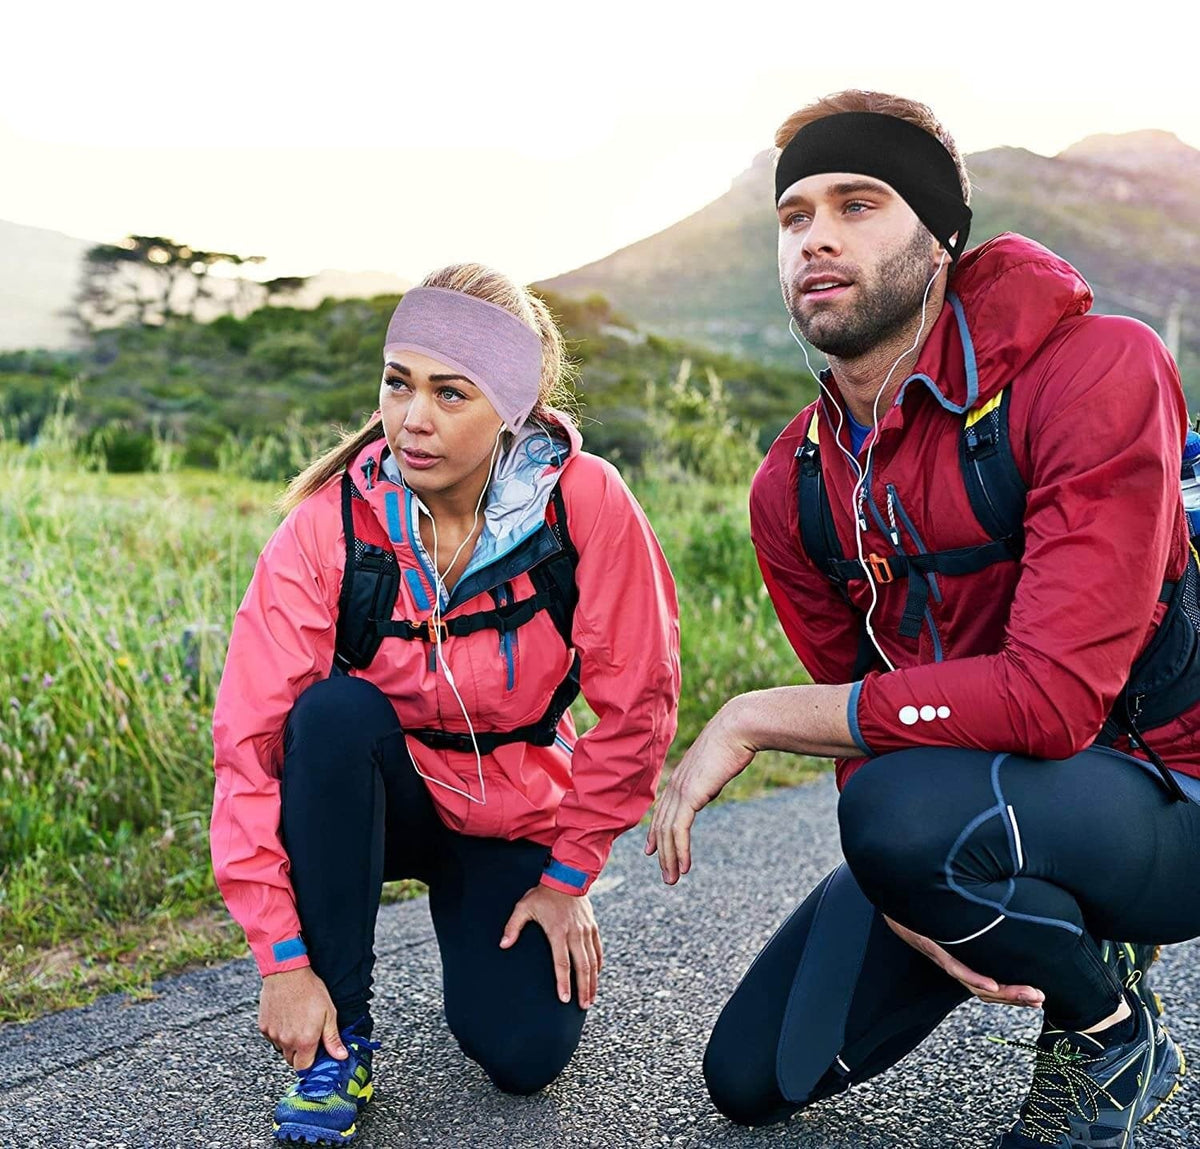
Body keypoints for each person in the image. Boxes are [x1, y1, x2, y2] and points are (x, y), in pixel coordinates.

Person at [646, 90, 1200, 1148]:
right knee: (753, 1076)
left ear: (942, 236)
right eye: (794, 215)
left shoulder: (1099, 370)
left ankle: (1111, 1030)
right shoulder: (794, 486)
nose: (816, 236)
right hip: (961, 800)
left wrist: (757, 716)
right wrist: (905, 883)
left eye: (858, 204)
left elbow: (1046, 702)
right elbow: (866, 718)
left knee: (906, 815)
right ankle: (971, 878)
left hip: (1168, 784)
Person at [210, 263, 681, 1146]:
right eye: (399, 383)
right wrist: (282, 959)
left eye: (450, 392)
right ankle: (338, 1043)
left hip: (514, 808)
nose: (413, 417)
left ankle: (488, 925)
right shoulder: (332, 523)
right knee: (332, 717)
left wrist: (568, 875)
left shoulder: (583, 504)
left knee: (525, 1054)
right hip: (378, 794)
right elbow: (250, 744)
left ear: (508, 404)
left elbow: (639, 705)